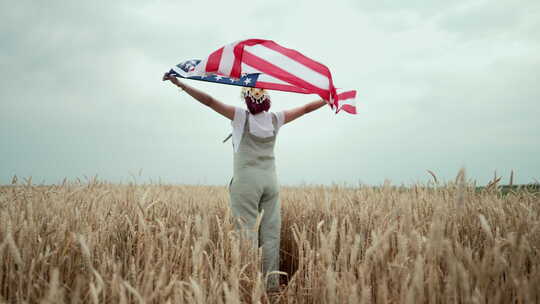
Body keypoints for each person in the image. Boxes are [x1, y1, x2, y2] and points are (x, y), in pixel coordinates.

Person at [162, 73, 327, 291]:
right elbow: (306, 109)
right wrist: (328, 98)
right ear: (266, 98)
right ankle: (271, 286)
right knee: (270, 234)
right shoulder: (276, 118)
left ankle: (248, 285)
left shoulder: (240, 116)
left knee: (245, 232)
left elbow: (209, 101)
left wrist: (180, 83)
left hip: (246, 183)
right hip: (271, 182)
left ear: (246, 98)